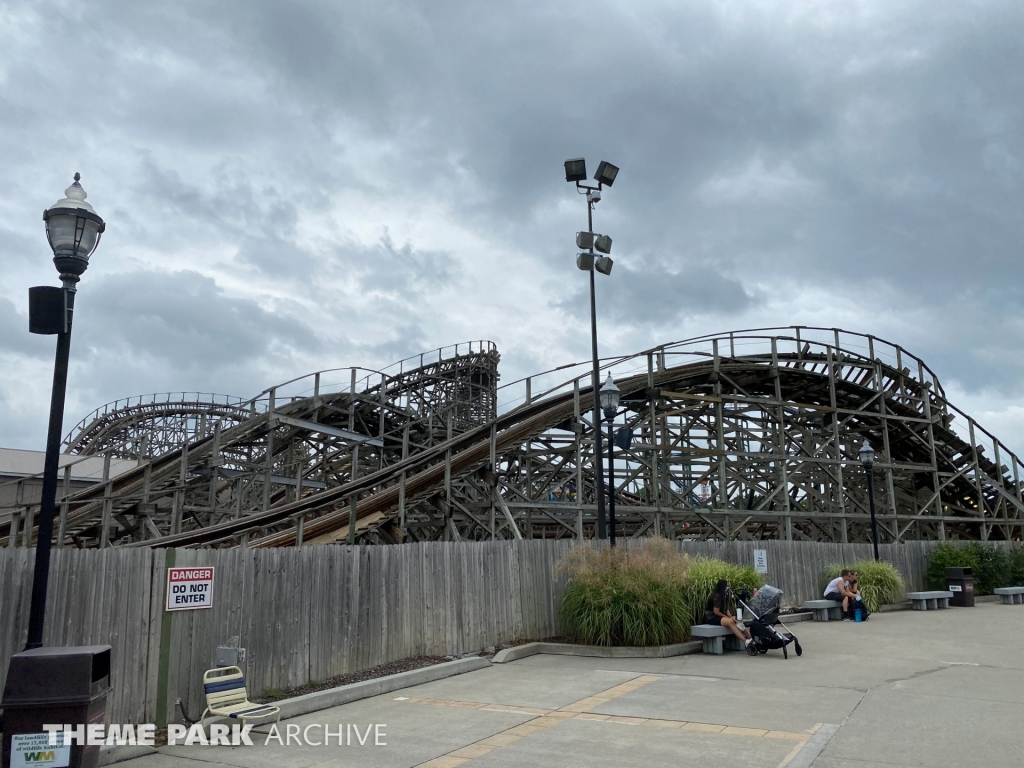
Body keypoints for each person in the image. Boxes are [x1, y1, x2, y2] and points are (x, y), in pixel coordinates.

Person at [705, 579, 752, 647]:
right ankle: (745, 641)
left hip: (720, 616)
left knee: (739, 621)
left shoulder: (725, 596)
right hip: (712, 616)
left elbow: (726, 609)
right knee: (730, 622)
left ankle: (751, 639)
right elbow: (716, 612)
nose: (728, 588)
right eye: (726, 586)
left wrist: (731, 616)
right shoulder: (717, 596)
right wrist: (728, 618)